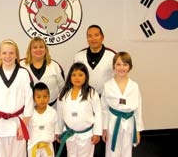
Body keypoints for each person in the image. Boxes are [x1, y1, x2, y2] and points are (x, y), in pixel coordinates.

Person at [74, 24, 116, 157]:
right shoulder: (79, 55)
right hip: (85, 100)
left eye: (96, 35)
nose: (93, 38)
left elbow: (117, 78)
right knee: (87, 134)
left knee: (103, 133)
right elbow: (75, 78)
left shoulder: (111, 55)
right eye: (89, 35)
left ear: (102, 37)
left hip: (105, 101)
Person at [101, 51, 144, 157]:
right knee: (112, 151)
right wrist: (104, 128)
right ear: (113, 66)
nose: (121, 67)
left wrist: (138, 130)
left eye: (125, 64)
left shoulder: (134, 86)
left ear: (130, 67)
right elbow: (104, 108)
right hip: (112, 122)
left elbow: (138, 109)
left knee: (126, 151)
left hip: (129, 122)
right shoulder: (107, 85)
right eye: (118, 64)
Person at [56, 62, 102, 157]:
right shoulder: (63, 93)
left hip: (86, 134)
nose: (77, 78)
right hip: (69, 133)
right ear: (69, 77)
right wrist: (58, 131)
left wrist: (97, 133)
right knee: (71, 154)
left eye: (80, 75)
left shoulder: (91, 92)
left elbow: (98, 113)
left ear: (86, 76)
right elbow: (59, 114)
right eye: (74, 75)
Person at [20, 37, 65, 108]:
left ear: (45, 49)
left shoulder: (55, 66)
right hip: (28, 110)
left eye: (41, 47)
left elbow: (63, 88)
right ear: (30, 50)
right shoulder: (21, 66)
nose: (38, 50)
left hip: (52, 108)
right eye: (35, 47)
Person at [27, 82, 60, 157]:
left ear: (49, 97)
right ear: (34, 98)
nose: (42, 100)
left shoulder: (53, 112)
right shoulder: (29, 113)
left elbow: (56, 129)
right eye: (38, 97)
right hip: (33, 147)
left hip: (48, 147)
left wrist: (58, 135)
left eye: (45, 96)